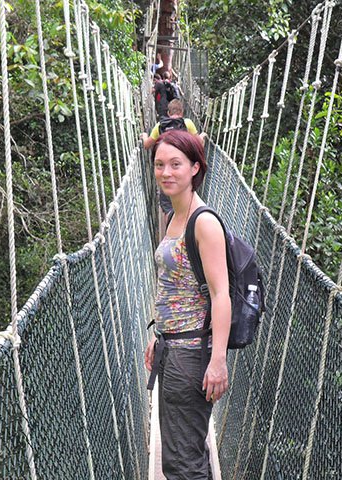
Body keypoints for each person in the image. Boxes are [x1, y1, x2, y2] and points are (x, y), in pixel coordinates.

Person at [145, 130, 231, 479]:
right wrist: (159, 336)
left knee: (184, 463)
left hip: (191, 355)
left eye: (176, 164)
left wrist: (218, 362)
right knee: (181, 456)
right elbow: (175, 286)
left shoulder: (204, 222)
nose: (166, 172)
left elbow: (220, 294)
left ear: (195, 168)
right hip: (173, 348)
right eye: (160, 164)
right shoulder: (173, 217)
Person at [140, 99, 206, 150]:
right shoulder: (187, 123)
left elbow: (146, 146)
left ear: (168, 113)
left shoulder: (160, 125)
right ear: (182, 112)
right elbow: (199, 143)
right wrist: (202, 136)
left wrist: (144, 136)